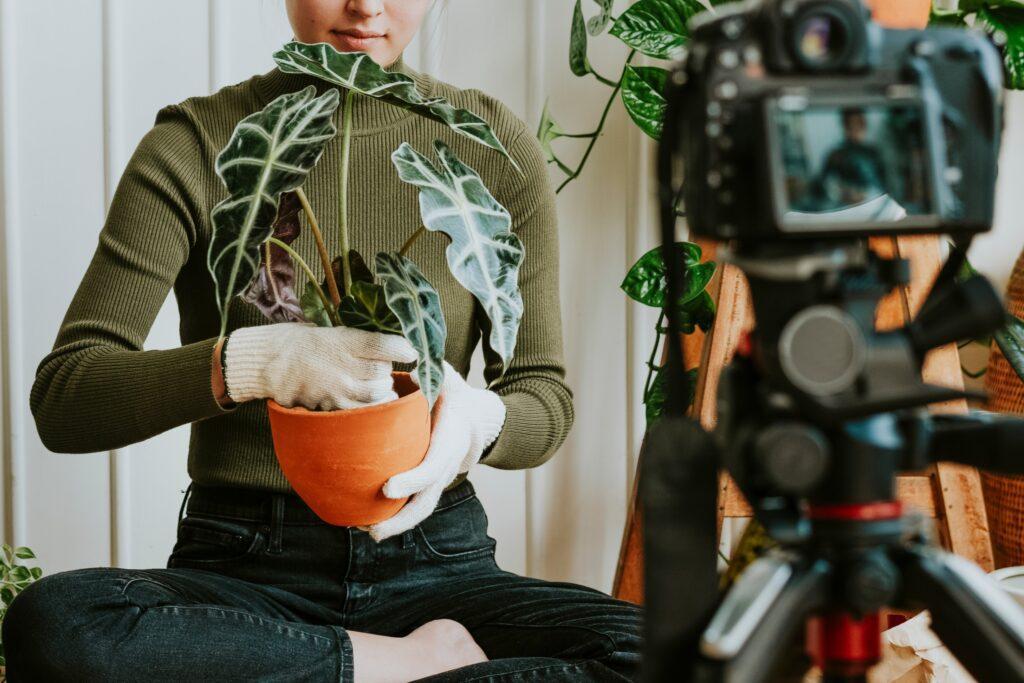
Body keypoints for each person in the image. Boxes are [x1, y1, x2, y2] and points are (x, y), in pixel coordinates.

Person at [1, 1, 643, 681]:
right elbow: (68, 395)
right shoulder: (196, 143)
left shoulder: (489, 145)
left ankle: (341, 671)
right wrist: (258, 363)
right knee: (58, 623)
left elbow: (541, 394)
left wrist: (480, 420)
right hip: (244, 568)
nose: (366, 4)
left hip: (438, 564)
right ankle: (414, 666)